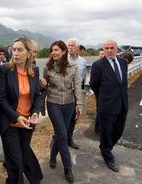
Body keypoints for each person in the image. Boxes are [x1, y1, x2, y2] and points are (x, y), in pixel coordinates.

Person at [0, 37, 43, 184]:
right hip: (10, 124)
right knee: (16, 162)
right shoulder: (4, 70)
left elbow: (37, 95)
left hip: (28, 123)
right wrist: (16, 117)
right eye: (13, 50)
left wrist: (35, 112)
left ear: (29, 53)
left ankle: (31, 177)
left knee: (22, 155)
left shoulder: (34, 70)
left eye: (20, 50)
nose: (15, 53)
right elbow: (1, 98)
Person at [41, 40, 83, 183]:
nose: (53, 52)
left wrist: (79, 105)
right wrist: (41, 105)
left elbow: (77, 86)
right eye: (52, 50)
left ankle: (53, 155)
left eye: (57, 50)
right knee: (63, 136)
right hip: (53, 104)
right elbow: (44, 88)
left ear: (64, 51)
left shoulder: (73, 67)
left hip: (69, 104)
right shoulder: (48, 67)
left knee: (60, 134)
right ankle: (67, 167)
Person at [90, 40, 128, 173]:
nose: (110, 50)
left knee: (119, 130)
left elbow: (122, 83)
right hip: (106, 105)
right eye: (107, 48)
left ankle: (106, 147)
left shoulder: (123, 63)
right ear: (103, 50)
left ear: (117, 49)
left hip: (122, 104)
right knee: (106, 133)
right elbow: (94, 85)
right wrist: (104, 98)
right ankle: (107, 155)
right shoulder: (98, 65)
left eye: (112, 48)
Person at [67, 38, 86, 149]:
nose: (70, 47)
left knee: (74, 117)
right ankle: (58, 141)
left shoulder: (82, 61)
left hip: (76, 93)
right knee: (64, 118)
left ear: (78, 48)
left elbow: (82, 76)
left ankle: (70, 139)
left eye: (72, 45)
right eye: (68, 45)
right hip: (65, 93)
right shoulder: (63, 59)